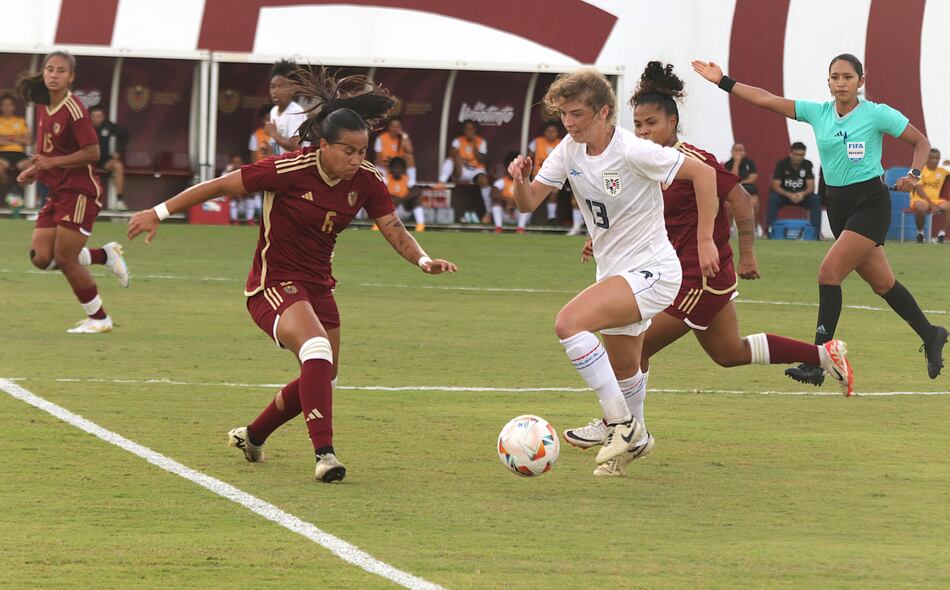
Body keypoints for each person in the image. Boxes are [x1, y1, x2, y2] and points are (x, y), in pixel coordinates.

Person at [127, 67, 457, 483]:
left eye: (363, 151)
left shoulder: (368, 181)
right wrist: (157, 212)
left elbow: (393, 228)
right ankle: (325, 455)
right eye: (349, 151)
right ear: (323, 145)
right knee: (316, 349)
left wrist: (423, 260)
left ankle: (253, 435)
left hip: (318, 285)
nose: (357, 160)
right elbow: (218, 187)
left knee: (322, 373)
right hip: (271, 283)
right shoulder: (287, 169)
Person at [562, 62, 854, 477]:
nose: (644, 132)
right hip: (665, 272)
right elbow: (638, 215)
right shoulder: (640, 162)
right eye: (639, 124)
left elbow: (737, 197)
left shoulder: (692, 159)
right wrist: (601, 237)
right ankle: (825, 355)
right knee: (728, 352)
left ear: (673, 122)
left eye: (652, 123)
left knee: (635, 346)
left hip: (699, 275)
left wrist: (747, 252)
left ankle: (621, 429)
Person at [509, 66, 720, 475]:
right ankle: (632, 441)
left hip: (655, 272)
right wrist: (521, 181)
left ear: (604, 112)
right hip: (614, 272)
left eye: (577, 115)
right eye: (563, 115)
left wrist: (705, 239)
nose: (568, 123)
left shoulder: (632, 149)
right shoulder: (570, 150)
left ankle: (618, 423)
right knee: (625, 367)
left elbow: (705, 173)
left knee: (569, 323)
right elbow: (527, 203)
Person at [693, 53, 947, 381]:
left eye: (847, 77)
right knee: (884, 284)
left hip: (871, 204)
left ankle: (817, 361)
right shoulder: (819, 112)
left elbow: (920, 142)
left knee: (828, 273)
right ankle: (932, 334)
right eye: (835, 77)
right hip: (839, 206)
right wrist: (723, 81)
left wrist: (913, 173)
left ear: (861, 81)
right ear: (828, 82)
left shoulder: (876, 114)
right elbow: (767, 100)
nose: (841, 83)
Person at [15, 51, 130, 334]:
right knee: (42, 257)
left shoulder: (75, 109)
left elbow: (93, 152)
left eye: (60, 71)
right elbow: (45, 151)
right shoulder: (43, 104)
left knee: (65, 259)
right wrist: (34, 170)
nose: (54, 75)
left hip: (80, 191)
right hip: (57, 190)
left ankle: (100, 319)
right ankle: (105, 256)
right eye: (50, 69)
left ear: (71, 77)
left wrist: (51, 163)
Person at [767, 141, 822, 238]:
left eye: (801, 155)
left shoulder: (807, 164)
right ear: (790, 153)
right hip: (785, 196)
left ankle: (816, 233)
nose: (798, 157)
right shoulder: (782, 164)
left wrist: (802, 194)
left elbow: (811, 187)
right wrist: (789, 195)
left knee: (815, 200)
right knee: (773, 199)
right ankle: (769, 231)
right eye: (796, 154)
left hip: (801, 196)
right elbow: (775, 186)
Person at [440, 119, 491, 223]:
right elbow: (452, 153)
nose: (469, 132)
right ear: (464, 130)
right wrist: (462, 161)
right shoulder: (458, 141)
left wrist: (474, 145)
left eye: (471, 129)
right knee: (451, 159)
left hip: (476, 170)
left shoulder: (481, 141)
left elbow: (482, 160)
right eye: (467, 129)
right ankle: (441, 182)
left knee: (484, 181)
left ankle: (488, 213)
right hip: (461, 170)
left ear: (475, 130)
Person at [88, 105, 128, 209]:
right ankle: (83, 201)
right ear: (90, 117)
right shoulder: (84, 126)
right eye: (94, 116)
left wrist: (118, 151)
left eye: (99, 116)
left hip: (104, 159)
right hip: (88, 159)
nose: (97, 119)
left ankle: (119, 201)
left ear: (103, 117)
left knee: (118, 166)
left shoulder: (108, 126)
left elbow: (124, 135)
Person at [266, 59, 308, 155]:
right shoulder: (273, 111)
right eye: (272, 86)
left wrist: (274, 134)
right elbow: (277, 147)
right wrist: (268, 149)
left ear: (292, 89)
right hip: (281, 165)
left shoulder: (296, 112)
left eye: (281, 86)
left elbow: (296, 147)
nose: (275, 91)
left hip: (297, 167)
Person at [910, 148, 950, 243]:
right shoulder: (920, 171)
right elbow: (919, 190)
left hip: (936, 200)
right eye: (932, 158)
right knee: (921, 207)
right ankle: (920, 233)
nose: (935, 160)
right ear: (927, 158)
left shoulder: (942, 171)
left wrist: (948, 162)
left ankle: (941, 235)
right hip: (920, 199)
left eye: (937, 158)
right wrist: (932, 205)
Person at [527, 121, 562, 223]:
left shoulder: (561, 143)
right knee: (533, 195)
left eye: (553, 131)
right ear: (544, 132)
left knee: (553, 195)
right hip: (538, 173)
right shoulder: (537, 141)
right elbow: (530, 156)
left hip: (556, 173)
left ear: (557, 133)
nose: (551, 134)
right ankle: (526, 219)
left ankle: (552, 218)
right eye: (548, 131)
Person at [723, 142, 762, 236]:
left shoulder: (750, 163)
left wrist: (741, 182)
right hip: (733, 190)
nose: (738, 152)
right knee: (728, 205)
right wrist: (736, 163)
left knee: (755, 204)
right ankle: (731, 228)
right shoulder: (728, 164)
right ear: (732, 152)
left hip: (749, 189)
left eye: (741, 150)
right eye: (736, 150)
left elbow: (753, 178)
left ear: (744, 152)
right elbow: (733, 178)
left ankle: (755, 228)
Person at [490, 151, 530, 233]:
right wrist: (507, 200)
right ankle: (498, 227)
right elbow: (493, 193)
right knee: (496, 202)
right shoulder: (501, 181)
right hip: (505, 213)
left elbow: (529, 196)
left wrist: (515, 202)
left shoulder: (524, 182)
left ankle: (521, 229)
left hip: (518, 215)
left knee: (528, 203)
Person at [384, 156, 425, 232]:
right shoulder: (386, 178)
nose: (397, 170)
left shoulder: (407, 179)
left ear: (403, 169)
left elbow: (417, 191)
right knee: (382, 198)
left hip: (404, 209)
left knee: (416, 200)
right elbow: (381, 193)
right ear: (391, 168)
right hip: (390, 212)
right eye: (395, 168)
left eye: (399, 168)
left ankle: (420, 226)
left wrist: (401, 200)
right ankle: (377, 225)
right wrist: (393, 198)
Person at [0, 93, 32, 189]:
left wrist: (5, 138)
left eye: (9, 105)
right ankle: (7, 189)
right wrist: (18, 139)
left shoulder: (21, 121)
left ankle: (19, 194)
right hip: (2, 153)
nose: (7, 108)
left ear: (13, 107)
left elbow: (29, 141)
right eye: (4, 105)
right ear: (1, 107)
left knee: (31, 169)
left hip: (19, 153)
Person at [374, 116, 416, 186]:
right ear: (389, 127)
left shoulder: (402, 137)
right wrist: (387, 170)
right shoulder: (381, 138)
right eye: (393, 127)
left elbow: (410, 151)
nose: (395, 129)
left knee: (409, 157)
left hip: (398, 166)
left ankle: (411, 183)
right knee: (383, 181)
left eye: (397, 127)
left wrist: (404, 137)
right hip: (385, 166)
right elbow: (378, 159)